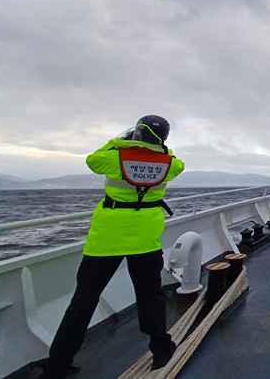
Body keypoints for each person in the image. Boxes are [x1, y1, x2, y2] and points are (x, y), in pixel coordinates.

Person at [44, 115, 185, 378]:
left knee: (84, 301)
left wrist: (121, 140)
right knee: (150, 295)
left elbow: (92, 161)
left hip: (107, 239)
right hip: (145, 238)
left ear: (138, 132)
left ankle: (58, 364)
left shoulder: (115, 156)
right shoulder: (171, 163)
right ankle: (161, 350)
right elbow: (173, 160)